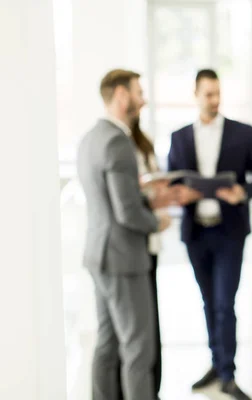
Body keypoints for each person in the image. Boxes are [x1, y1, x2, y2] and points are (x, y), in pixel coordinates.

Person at [167, 69, 252, 400]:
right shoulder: (179, 137)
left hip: (229, 233)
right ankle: (216, 362)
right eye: (208, 94)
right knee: (208, 302)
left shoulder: (242, 133)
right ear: (195, 95)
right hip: (196, 233)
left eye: (217, 93)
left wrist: (243, 192)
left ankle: (227, 374)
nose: (214, 99)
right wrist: (181, 192)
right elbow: (172, 182)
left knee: (225, 303)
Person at [77, 69, 172, 400]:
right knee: (138, 350)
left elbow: (109, 199)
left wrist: (142, 196)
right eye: (138, 92)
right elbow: (127, 212)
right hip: (123, 258)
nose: (142, 100)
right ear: (120, 95)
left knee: (107, 344)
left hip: (98, 254)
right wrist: (158, 222)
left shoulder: (91, 137)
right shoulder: (118, 141)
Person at [130, 120, 171, 398]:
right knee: (140, 326)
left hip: (150, 246)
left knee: (152, 320)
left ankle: (153, 387)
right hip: (135, 245)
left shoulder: (143, 142)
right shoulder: (118, 146)